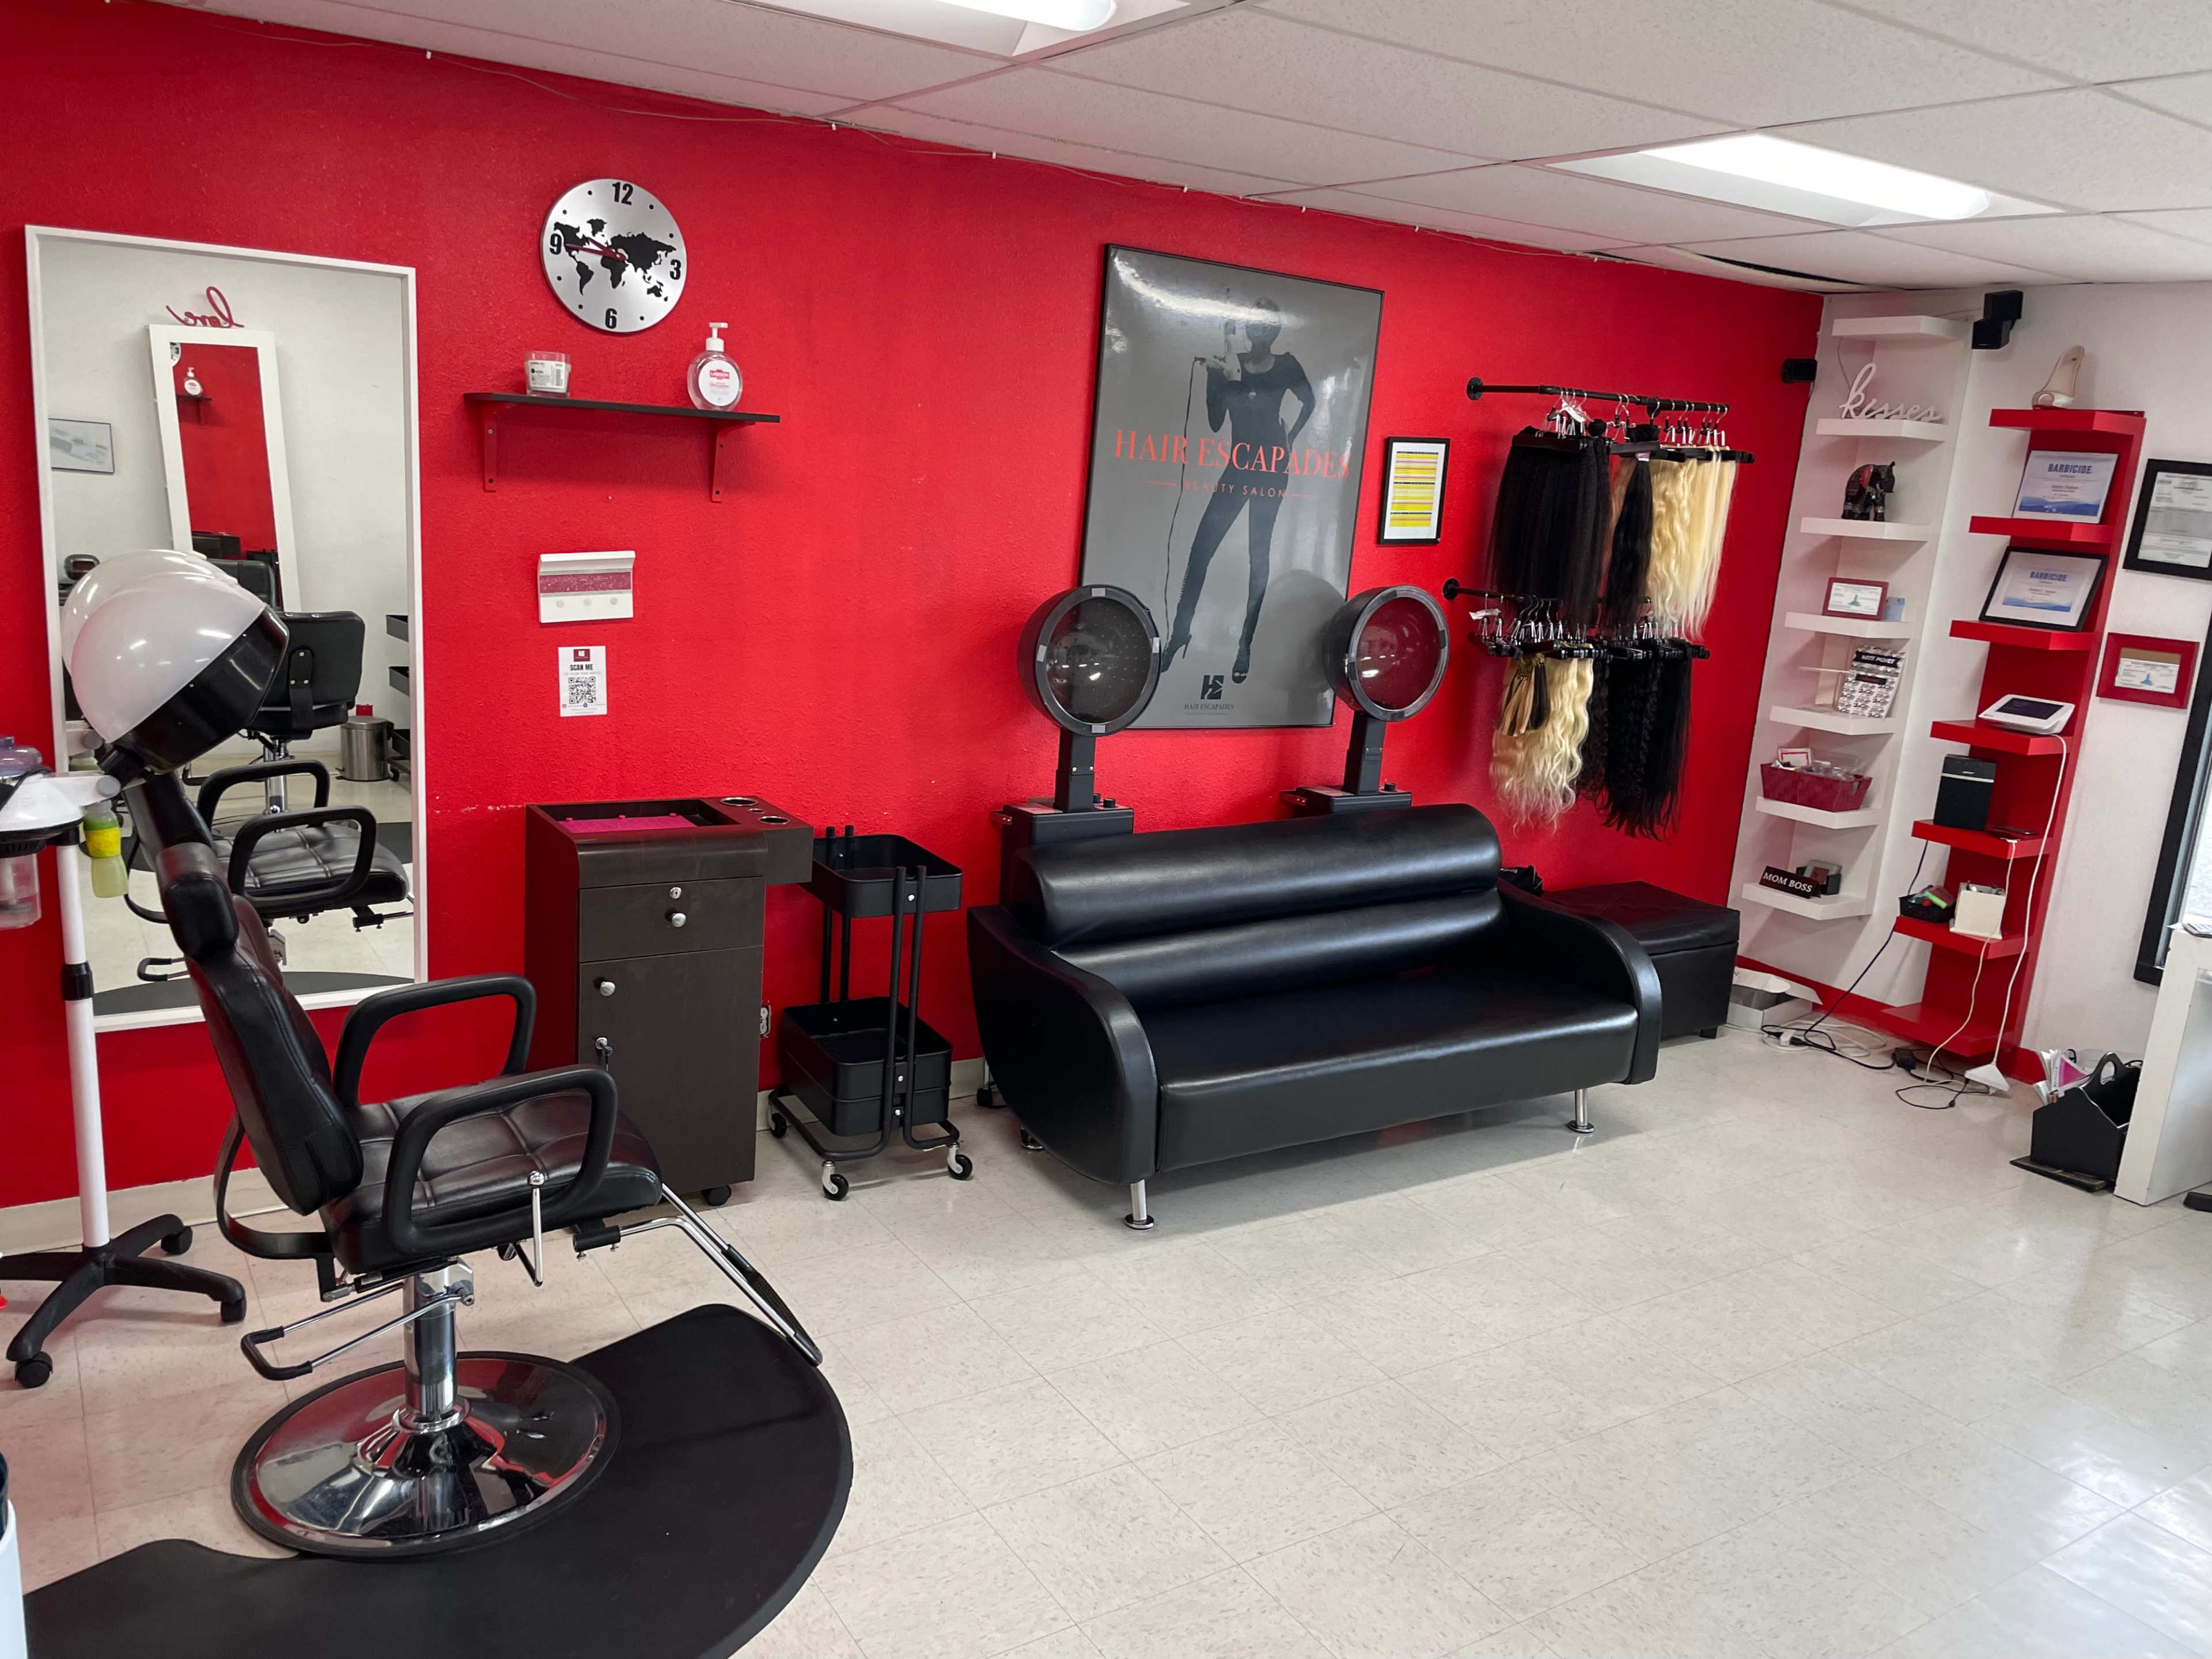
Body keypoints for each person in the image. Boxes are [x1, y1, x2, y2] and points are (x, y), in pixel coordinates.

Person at [1165, 298, 1315, 684]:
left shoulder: (1286, 364)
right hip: (1239, 467)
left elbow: (1309, 401)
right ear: (1246, 330)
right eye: (1254, 326)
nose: (1260, 332)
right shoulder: (1231, 366)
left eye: (1268, 326)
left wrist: (1291, 439)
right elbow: (1216, 423)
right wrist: (1215, 377)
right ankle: (1180, 633)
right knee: (1202, 549)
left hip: (1272, 471)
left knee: (1258, 557)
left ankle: (1244, 646)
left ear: (1276, 330)